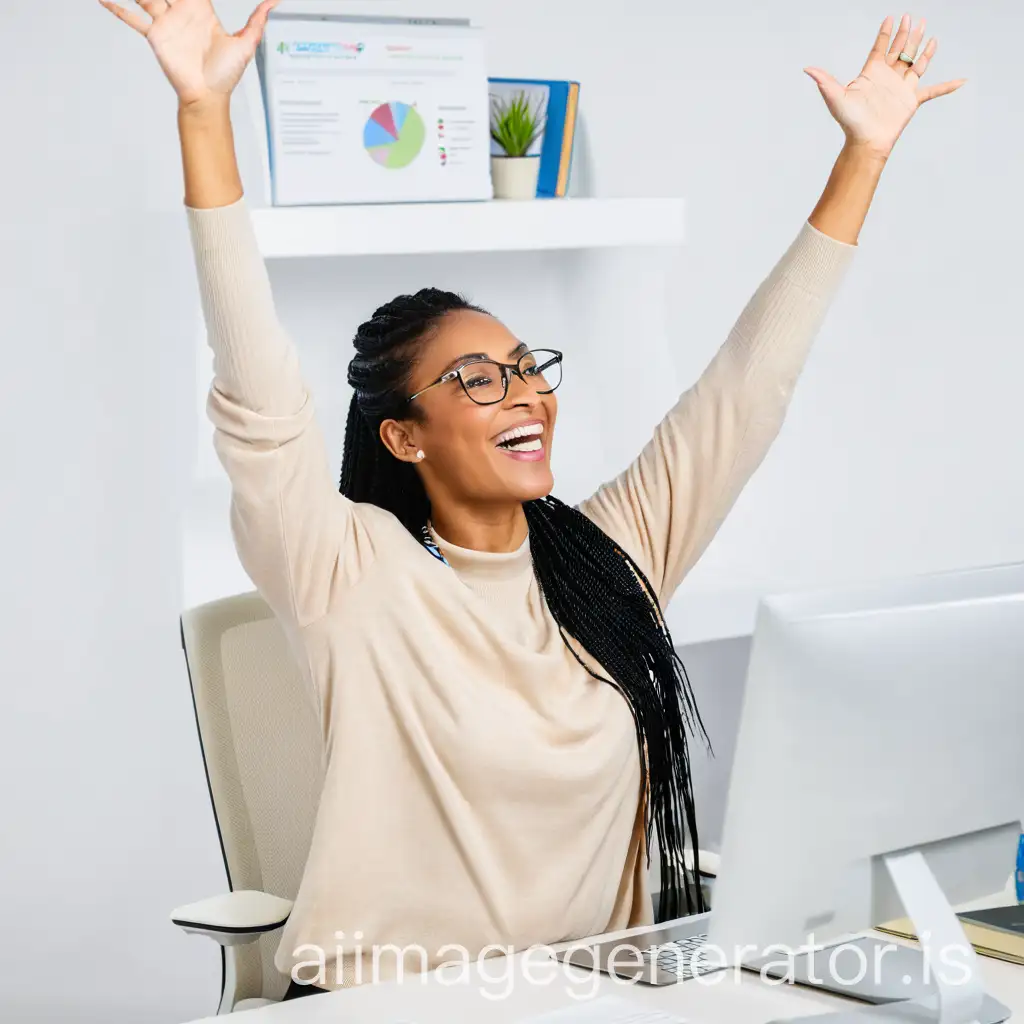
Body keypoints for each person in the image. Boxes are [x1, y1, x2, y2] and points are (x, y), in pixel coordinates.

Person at [101, 0, 964, 998]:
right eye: (475, 379)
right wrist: (203, 112)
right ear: (402, 434)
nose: (522, 394)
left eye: (524, 368)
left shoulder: (612, 556)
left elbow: (747, 390)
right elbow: (257, 393)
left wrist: (862, 159)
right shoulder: (345, 566)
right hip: (389, 1003)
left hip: (592, 995)